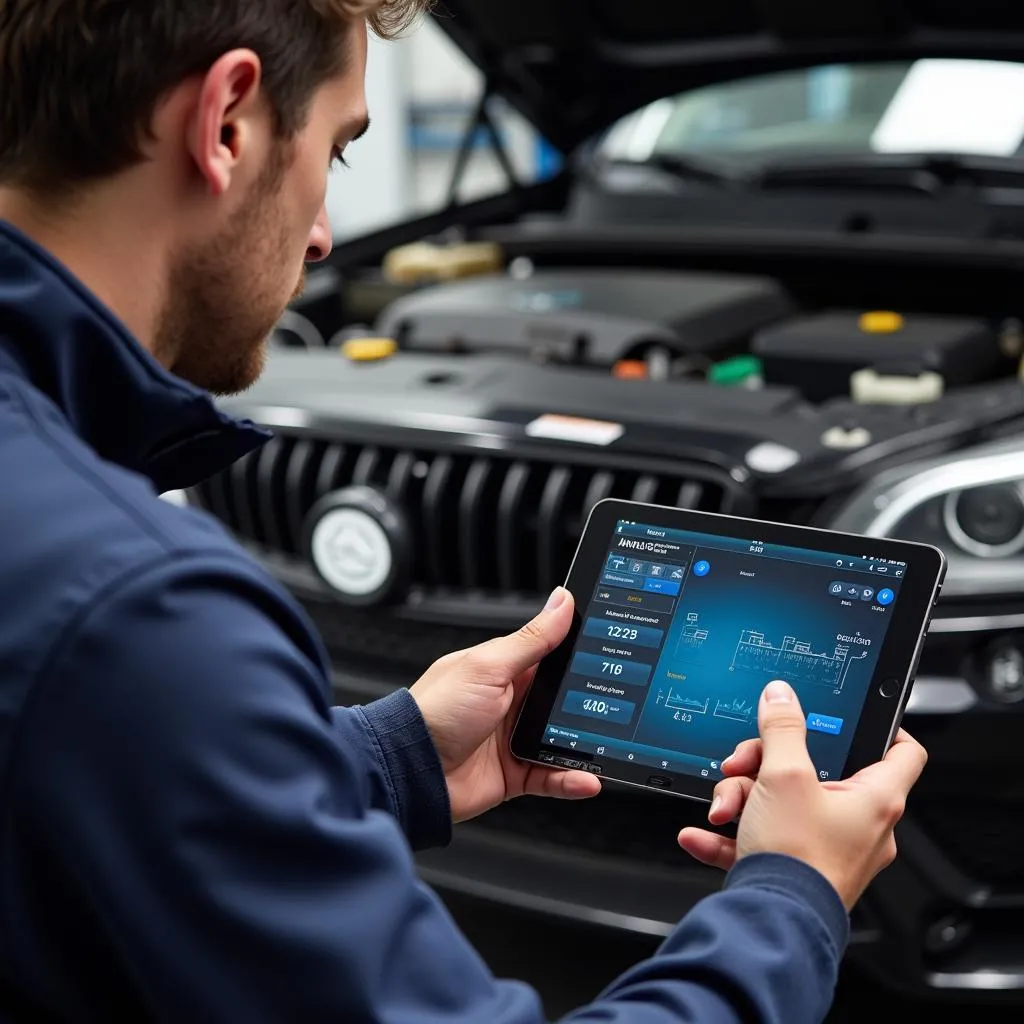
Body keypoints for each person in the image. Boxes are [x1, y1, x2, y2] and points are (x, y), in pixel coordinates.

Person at [0, 2, 927, 1021]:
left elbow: (94, 768)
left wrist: (393, 752)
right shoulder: (134, 608)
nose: (322, 238)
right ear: (226, 121)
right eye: (338, 153)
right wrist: (793, 893)